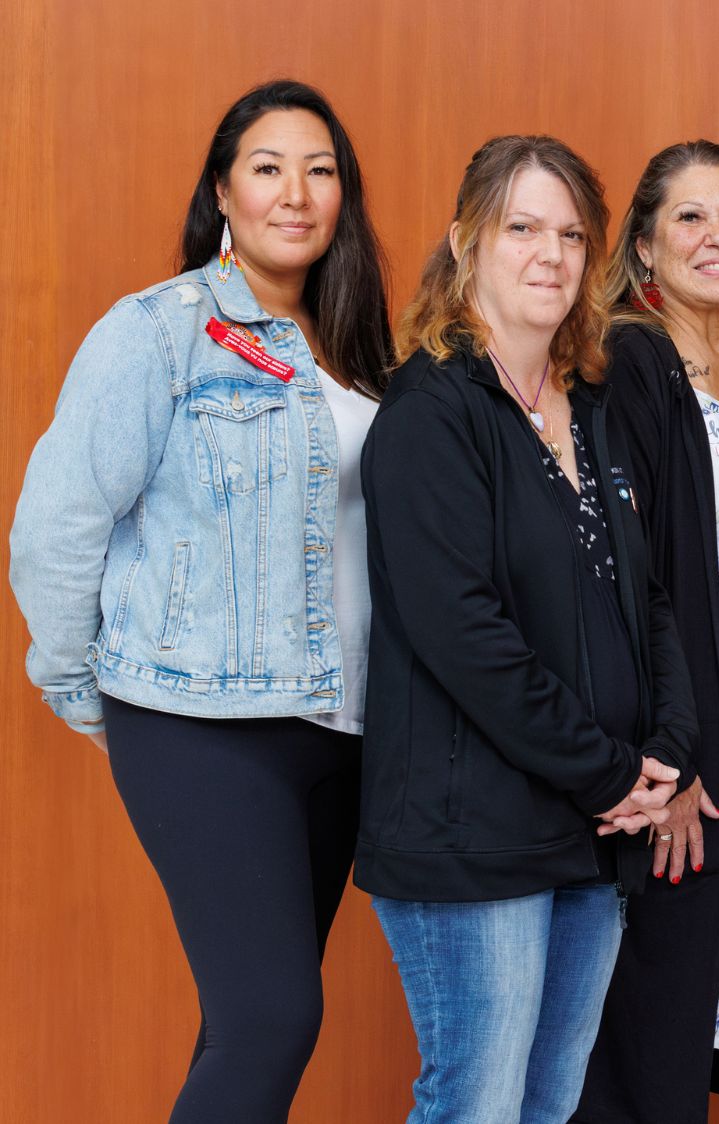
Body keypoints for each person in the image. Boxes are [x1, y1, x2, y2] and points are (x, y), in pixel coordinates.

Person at [8, 80, 392, 1122]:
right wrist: (89, 689)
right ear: (223, 188)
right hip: (202, 720)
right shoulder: (158, 332)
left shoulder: (356, 347)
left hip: (340, 726)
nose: (296, 193)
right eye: (268, 167)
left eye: (319, 169)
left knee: (243, 1028)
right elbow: (57, 524)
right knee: (273, 1019)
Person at [355, 134, 695, 1122]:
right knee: (479, 1105)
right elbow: (464, 633)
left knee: (546, 1107)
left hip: (589, 833)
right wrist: (608, 771)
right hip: (475, 836)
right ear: (467, 241)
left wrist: (665, 749)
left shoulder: (587, 403)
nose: (549, 254)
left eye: (571, 235)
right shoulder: (431, 410)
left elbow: (648, 594)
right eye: (522, 228)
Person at [575, 140, 719, 1124]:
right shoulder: (632, 362)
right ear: (643, 248)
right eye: (690, 217)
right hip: (688, 743)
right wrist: (664, 762)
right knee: (647, 1034)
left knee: (711, 1022)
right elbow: (624, 581)